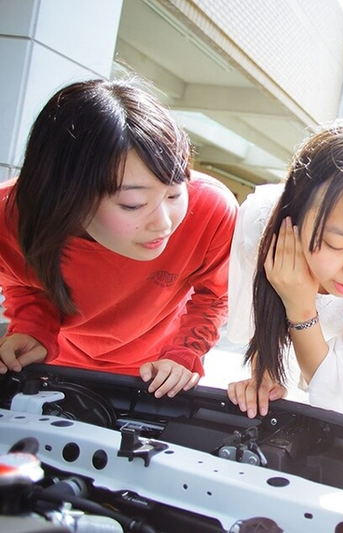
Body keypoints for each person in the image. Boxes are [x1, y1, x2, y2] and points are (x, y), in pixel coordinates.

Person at [0, 78, 238, 398]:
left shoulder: (210, 209)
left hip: (154, 376)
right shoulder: (10, 216)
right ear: (66, 195)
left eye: (174, 194)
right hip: (51, 368)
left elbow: (216, 295)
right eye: (133, 204)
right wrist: (33, 331)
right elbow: (25, 283)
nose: (164, 223)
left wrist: (184, 353)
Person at [225, 121, 343, 424]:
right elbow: (254, 324)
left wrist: (300, 307)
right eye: (335, 244)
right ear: (295, 214)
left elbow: (339, 397)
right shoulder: (259, 223)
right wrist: (266, 374)